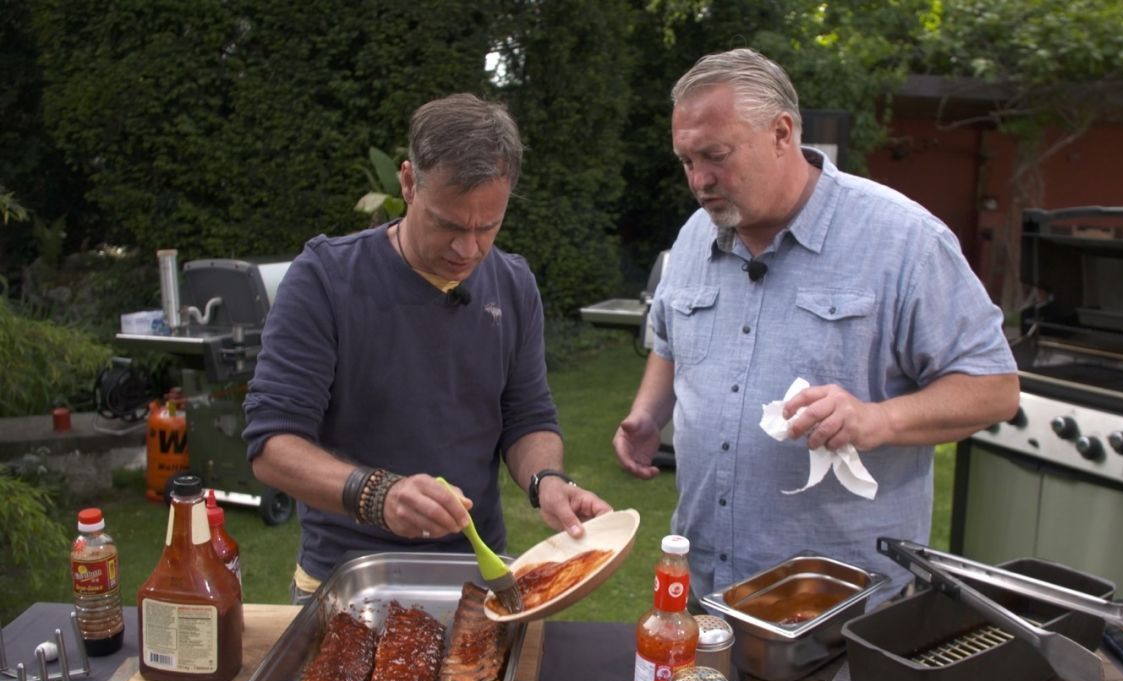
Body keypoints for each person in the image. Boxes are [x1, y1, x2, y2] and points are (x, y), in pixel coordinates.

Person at [613, 49, 1019, 603]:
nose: (699, 180)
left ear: (782, 133)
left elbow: (994, 388)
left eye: (716, 155)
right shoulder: (692, 237)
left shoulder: (904, 240)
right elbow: (669, 336)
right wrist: (647, 414)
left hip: (843, 602)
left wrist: (878, 419)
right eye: (686, 161)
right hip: (704, 587)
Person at [244, 93, 612, 603]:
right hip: (349, 578)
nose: (469, 250)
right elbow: (271, 445)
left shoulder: (513, 283)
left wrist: (546, 481)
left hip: (477, 577)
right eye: (449, 224)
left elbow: (526, 416)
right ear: (409, 182)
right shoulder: (326, 279)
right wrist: (377, 494)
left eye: (488, 227)